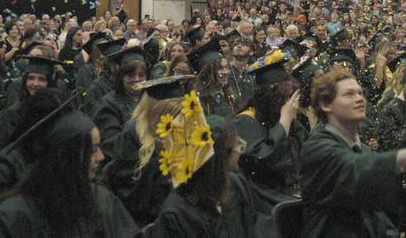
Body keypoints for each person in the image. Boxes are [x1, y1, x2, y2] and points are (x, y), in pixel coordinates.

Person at [299, 68, 406, 238]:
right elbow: (361, 169)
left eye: (360, 93)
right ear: (326, 105)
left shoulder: (362, 149)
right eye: (349, 94)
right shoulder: (317, 148)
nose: (359, 99)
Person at [0, 112, 139, 237]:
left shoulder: (103, 202)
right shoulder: (14, 217)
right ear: (66, 156)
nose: (101, 157)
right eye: (92, 150)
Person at [151, 98, 259, 237]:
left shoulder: (236, 185)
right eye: (238, 144)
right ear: (220, 158)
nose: (240, 150)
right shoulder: (176, 215)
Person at [102, 75, 191, 226]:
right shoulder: (133, 134)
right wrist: (160, 159)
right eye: (174, 116)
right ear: (158, 113)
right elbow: (128, 190)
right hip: (144, 220)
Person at [235, 49, 307, 230]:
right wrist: (284, 122)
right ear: (271, 97)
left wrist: (292, 122)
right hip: (263, 196)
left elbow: (300, 156)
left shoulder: (279, 117)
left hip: (290, 190)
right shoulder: (245, 120)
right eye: (285, 98)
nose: (290, 104)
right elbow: (265, 158)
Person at [0, 56, 63, 150]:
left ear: (49, 83)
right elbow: (1, 147)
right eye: (31, 78)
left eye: (41, 79)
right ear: (25, 81)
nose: (35, 84)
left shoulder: (58, 112)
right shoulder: (14, 113)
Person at [93, 46, 149, 161]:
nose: (137, 79)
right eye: (131, 75)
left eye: (141, 75)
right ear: (121, 77)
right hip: (125, 164)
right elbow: (111, 144)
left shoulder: (151, 99)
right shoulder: (108, 104)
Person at [188, 37, 235, 117]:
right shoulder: (197, 100)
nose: (225, 72)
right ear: (208, 73)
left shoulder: (228, 95)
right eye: (220, 68)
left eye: (226, 67)